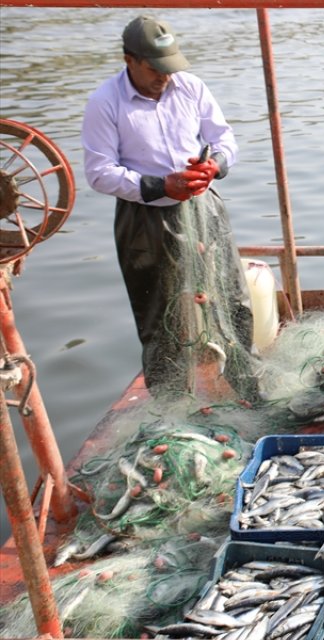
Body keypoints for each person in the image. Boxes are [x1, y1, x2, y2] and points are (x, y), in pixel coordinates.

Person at [82, 15, 258, 401]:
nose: (164, 77)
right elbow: (99, 173)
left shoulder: (191, 87)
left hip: (202, 204)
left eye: (170, 68)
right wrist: (160, 185)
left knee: (233, 297)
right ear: (129, 60)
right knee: (158, 314)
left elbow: (223, 138)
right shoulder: (105, 102)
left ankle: (249, 385)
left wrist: (215, 165)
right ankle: (170, 404)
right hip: (145, 216)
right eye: (154, 69)